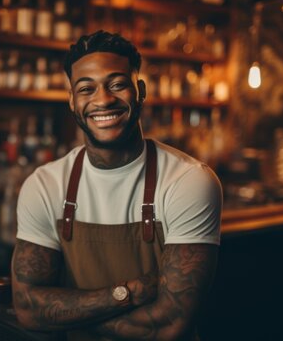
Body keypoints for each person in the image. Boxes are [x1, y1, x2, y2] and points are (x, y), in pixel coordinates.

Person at [11, 30, 222, 340]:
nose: (103, 99)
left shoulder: (188, 181)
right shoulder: (45, 185)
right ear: (72, 101)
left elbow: (170, 325)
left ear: (140, 90)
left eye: (117, 84)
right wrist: (129, 293)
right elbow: (29, 308)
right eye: (86, 88)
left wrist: (63, 314)